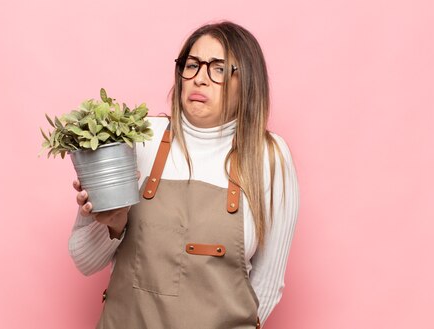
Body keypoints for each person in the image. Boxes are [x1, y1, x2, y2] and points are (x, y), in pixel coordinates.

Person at [69, 21, 299, 329]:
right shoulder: (139, 139)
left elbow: (267, 285)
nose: (200, 79)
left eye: (218, 69)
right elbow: (85, 261)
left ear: (248, 80)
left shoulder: (270, 158)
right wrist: (113, 224)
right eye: (192, 65)